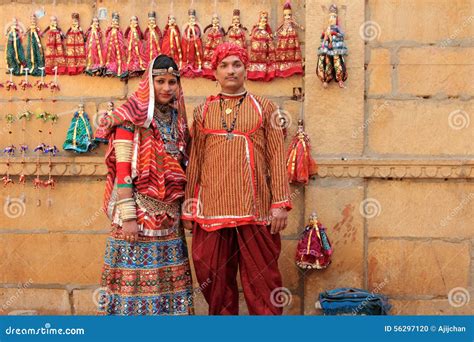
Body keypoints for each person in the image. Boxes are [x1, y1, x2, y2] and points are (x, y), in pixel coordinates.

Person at [182, 42, 292, 315]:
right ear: (215, 73)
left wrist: (280, 203)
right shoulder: (202, 111)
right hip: (211, 210)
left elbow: (277, 157)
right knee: (213, 276)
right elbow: (195, 160)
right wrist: (189, 207)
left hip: (255, 209)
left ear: (246, 70)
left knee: (262, 281)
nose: (230, 71)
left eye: (236, 64)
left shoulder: (265, 108)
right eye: (224, 65)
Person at [96, 55, 194, 315]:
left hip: (170, 219)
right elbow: (123, 171)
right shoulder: (131, 117)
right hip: (137, 217)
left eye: (172, 81)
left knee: (168, 287)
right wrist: (128, 217)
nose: (166, 88)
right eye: (160, 81)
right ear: (148, 83)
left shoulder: (178, 120)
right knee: (134, 288)